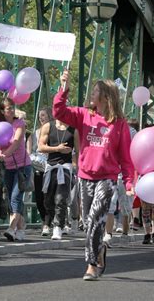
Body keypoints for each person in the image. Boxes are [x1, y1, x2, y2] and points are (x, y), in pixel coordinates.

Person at [53, 69, 134, 281]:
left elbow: (126, 157)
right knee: (89, 222)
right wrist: (64, 87)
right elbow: (58, 112)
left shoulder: (120, 124)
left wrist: (128, 182)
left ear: (106, 96)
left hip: (107, 178)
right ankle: (100, 251)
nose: (91, 94)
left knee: (97, 217)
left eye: (95, 91)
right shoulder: (83, 115)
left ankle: (91, 264)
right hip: (86, 175)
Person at [0, 98, 32, 242]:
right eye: (7, 108)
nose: (11, 110)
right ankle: (21, 227)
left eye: (12, 107)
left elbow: (17, 142)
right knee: (12, 198)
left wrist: (4, 154)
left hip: (22, 166)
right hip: (7, 167)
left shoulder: (19, 123)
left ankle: (11, 229)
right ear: (2, 111)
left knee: (15, 198)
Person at [38, 118, 78, 240]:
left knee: (61, 198)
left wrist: (78, 166)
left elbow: (79, 151)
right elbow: (41, 147)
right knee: (48, 201)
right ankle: (57, 219)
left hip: (65, 167)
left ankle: (58, 227)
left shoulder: (73, 130)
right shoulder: (48, 126)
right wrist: (57, 149)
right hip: (50, 166)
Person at [27, 107, 53, 235]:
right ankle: (44, 219)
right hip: (38, 167)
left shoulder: (53, 131)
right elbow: (29, 151)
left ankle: (47, 223)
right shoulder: (34, 133)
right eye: (40, 116)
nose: (41, 118)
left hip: (50, 167)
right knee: (38, 197)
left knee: (48, 197)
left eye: (44, 115)